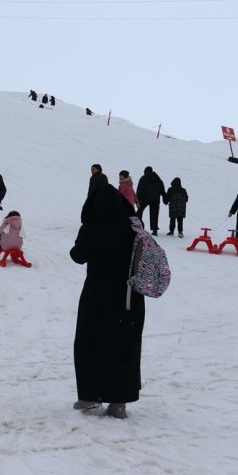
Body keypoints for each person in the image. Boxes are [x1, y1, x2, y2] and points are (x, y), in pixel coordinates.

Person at [69, 171, 145, 419]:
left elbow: (77, 256)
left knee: (91, 343)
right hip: (128, 297)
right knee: (123, 346)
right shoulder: (133, 226)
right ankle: (118, 401)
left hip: (98, 296)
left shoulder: (93, 227)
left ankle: (90, 397)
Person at [136, 166, 166, 235]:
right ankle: (154, 230)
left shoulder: (143, 178)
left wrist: (138, 200)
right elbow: (162, 189)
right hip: (155, 198)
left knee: (139, 211)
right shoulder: (157, 178)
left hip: (145, 198)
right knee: (154, 214)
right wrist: (165, 197)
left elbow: (140, 189)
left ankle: (138, 226)